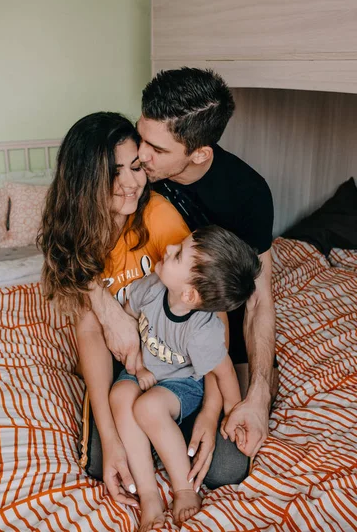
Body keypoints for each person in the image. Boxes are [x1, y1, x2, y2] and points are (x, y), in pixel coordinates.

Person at [101, 67, 277, 490]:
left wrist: (254, 396)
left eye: (156, 148)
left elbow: (258, 299)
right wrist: (107, 308)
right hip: (151, 335)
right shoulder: (133, 175)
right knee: (101, 461)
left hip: (208, 342)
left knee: (225, 470)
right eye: (142, 136)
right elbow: (75, 242)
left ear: (198, 153)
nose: (140, 156)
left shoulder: (248, 194)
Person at [38, 112, 190, 506]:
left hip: (172, 363)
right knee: (101, 463)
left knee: (225, 467)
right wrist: (109, 436)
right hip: (120, 370)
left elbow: (201, 304)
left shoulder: (159, 217)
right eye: (113, 171)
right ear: (84, 182)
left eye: (136, 166)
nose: (130, 182)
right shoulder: (76, 234)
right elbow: (90, 331)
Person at [109, 225, 261, 530]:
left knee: (148, 408)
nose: (167, 250)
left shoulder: (202, 331)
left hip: (182, 384)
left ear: (190, 294)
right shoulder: (152, 287)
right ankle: (150, 495)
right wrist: (135, 361)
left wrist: (232, 410)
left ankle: (184, 489)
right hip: (143, 369)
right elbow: (125, 318)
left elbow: (224, 371)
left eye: (177, 255)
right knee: (119, 396)